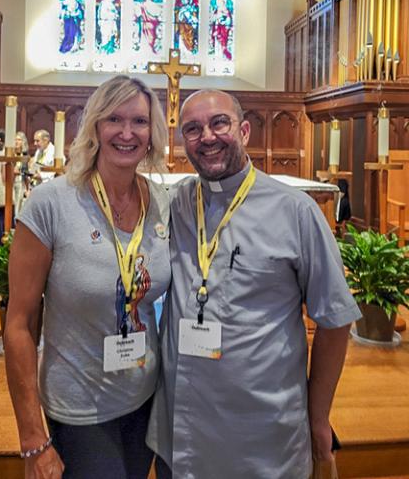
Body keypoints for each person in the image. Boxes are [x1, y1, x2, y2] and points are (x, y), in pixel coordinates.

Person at [148, 89, 362, 479]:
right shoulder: (176, 203)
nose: (207, 137)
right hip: (183, 433)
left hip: (263, 435)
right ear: (183, 143)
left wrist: (319, 416)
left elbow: (334, 319)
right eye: (193, 129)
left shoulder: (295, 211)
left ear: (244, 130)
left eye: (219, 123)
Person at [4, 75, 171, 479]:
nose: (127, 133)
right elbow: (20, 325)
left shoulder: (163, 202)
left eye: (139, 122)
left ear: (153, 133)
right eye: (114, 119)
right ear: (96, 126)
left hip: (147, 398)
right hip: (80, 406)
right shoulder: (52, 203)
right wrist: (32, 439)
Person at [13, 131, 30, 218]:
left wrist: (28, 188)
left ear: (23, 141)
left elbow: (26, 172)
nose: (17, 141)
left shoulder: (25, 155)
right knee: (13, 203)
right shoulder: (11, 154)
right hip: (11, 182)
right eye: (15, 139)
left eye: (19, 140)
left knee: (19, 205)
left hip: (21, 182)